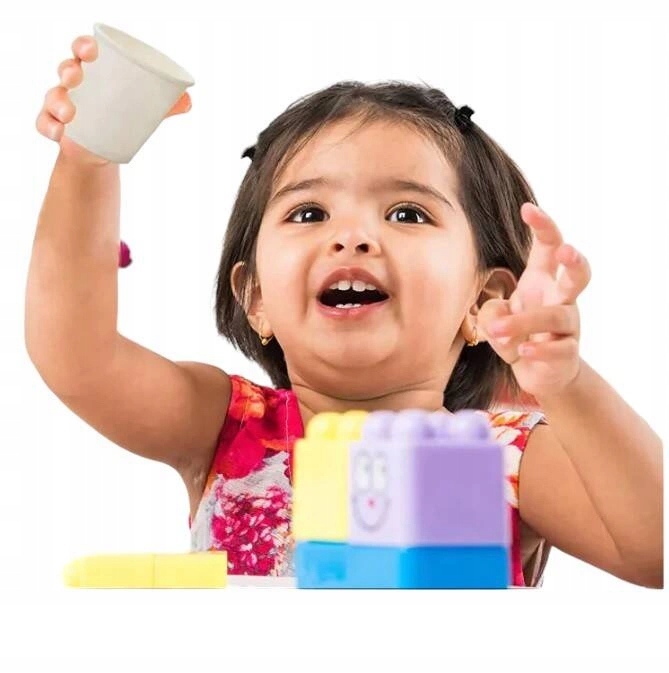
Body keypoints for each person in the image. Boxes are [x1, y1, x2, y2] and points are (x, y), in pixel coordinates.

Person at [27, 34, 663, 588]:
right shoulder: (223, 427)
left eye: (407, 213)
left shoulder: (503, 458)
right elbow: (78, 357)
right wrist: (88, 162)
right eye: (309, 213)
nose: (353, 237)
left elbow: (655, 550)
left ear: (483, 301)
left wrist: (565, 383)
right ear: (255, 298)